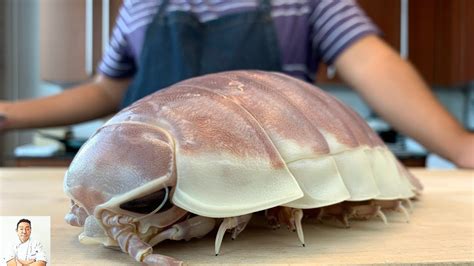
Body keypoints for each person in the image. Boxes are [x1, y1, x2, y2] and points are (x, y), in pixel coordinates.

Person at [0, 0, 472, 168]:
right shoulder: (139, 4)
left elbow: (371, 63)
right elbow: (108, 90)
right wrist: (9, 114)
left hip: (275, 183)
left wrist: (460, 147)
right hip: (153, 179)